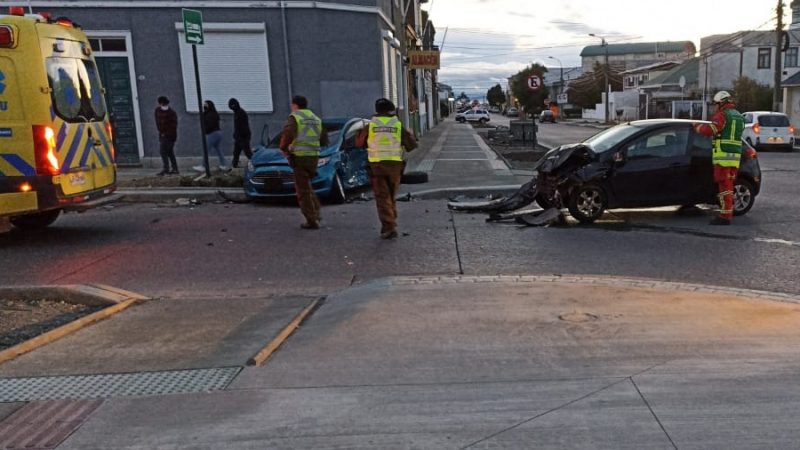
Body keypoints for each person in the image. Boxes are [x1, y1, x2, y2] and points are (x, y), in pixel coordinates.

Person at [355, 98, 417, 239]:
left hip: (377, 166)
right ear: (391, 110)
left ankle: (389, 227)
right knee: (390, 196)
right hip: (395, 165)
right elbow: (411, 145)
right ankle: (390, 223)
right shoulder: (397, 124)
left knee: (382, 197)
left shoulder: (369, 126)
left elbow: (359, 144)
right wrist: (410, 135)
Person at [693, 91, 744, 225]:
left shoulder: (723, 115)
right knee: (729, 186)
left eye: (716, 104)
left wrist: (697, 127)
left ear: (721, 103)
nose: (715, 107)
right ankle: (727, 213)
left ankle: (725, 216)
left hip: (723, 157)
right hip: (735, 157)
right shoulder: (739, 116)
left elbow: (711, 129)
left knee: (724, 187)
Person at [279, 95, 329, 229]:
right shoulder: (316, 119)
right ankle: (316, 213)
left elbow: (287, 135)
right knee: (307, 187)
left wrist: (284, 148)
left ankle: (311, 219)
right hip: (314, 157)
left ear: (295, 105)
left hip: (300, 156)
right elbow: (324, 140)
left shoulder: (295, 117)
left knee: (302, 190)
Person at [196, 100, 228, 172]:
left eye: (206, 105)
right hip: (218, 133)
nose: (204, 106)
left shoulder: (210, 114)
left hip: (213, 133)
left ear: (209, 105)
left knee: (206, 150)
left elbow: (209, 125)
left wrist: (205, 130)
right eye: (204, 104)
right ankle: (223, 164)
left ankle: (203, 166)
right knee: (218, 149)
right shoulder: (213, 113)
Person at [154, 96, 179, 176]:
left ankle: (166, 169)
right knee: (169, 152)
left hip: (169, 135)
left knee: (163, 151)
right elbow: (157, 122)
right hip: (163, 134)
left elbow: (173, 125)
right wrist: (161, 131)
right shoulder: (158, 111)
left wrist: (165, 132)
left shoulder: (171, 113)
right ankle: (174, 168)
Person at [228, 98, 253, 168]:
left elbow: (243, 126)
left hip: (243, 137)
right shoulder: (237, 113)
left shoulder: (241, 113)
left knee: (247, 152)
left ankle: (255, 163)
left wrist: (240, 136)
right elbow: (237, 126)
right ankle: (234, 165)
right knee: (236, 152)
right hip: (239, 137)